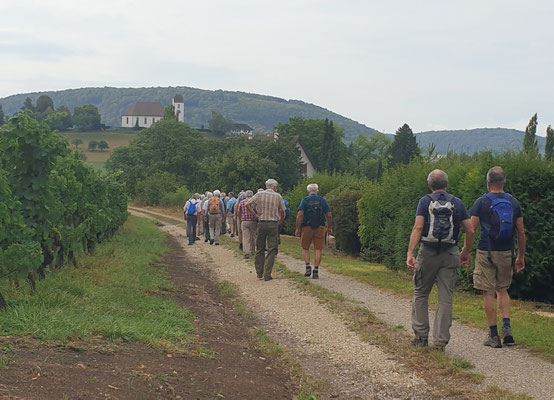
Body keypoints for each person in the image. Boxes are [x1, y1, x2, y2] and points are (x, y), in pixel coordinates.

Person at [406, 169, 475, 350]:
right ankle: (440, 342)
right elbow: (470, 230)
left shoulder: (425, 201)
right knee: (446, 298)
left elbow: (418, 228)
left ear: (430, 185)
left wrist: (410, 253)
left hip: (428, 253)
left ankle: (421, 337)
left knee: (421, 293)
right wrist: (466, 252)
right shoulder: (457, 203)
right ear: (447, 183)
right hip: (450, 253)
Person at [470, 166, 525, 348]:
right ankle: (507, 328)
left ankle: (494, 335)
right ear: (504, 182)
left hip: (486, 250)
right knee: (502, 289)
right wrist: (521, 256)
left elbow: (472, 229)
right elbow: (521, 232)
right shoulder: (514, 202)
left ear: (488, 183)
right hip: (507, 252)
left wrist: (465, 251)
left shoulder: (481, 202)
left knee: (488, 291)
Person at [246, 179, 286, 281]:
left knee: (260, 248)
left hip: (261, 222)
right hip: (273, 223)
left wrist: (255, 215)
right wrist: (280, 220)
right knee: (272, 249)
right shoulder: (277, 196)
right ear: (274, 187)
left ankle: (259, 272)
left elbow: (247, 204)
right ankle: (267, 274)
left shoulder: (259, 194)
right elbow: (283, 211)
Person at [295, 183, 332, 279]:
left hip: (307, 227)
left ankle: (308, 266)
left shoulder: (305, 201)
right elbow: (329, 215)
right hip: (320, 227)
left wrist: (298, 228)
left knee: (305, 247)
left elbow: (300, 214)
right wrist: (329, 227)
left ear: (308, 191)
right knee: (318, 249)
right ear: (317, 191)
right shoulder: (323, 200)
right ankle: (316, 270)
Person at [237, 190, 257, 258]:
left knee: (245, 237)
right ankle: (253, 251)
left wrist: (240, 220)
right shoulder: (254, 202)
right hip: (253, 221)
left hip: (244, 221)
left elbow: (239, 212)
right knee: (253, 236)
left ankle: (246, 252)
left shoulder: (242, 202)